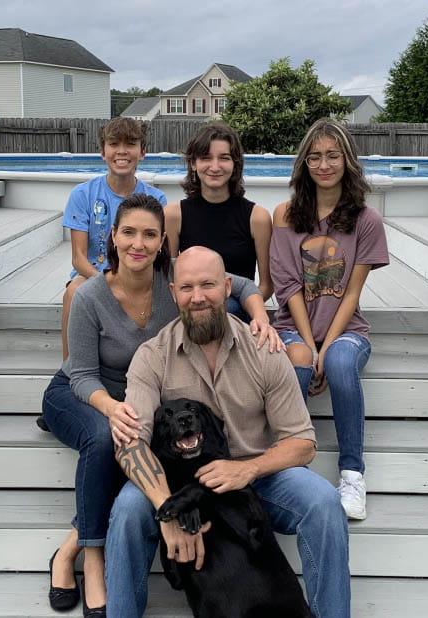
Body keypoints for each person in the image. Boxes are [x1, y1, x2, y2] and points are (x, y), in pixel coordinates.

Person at [41, 195, 280, 615]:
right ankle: (85, 555)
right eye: (129, 232)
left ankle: (75, 545)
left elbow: (238, 284)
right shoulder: (89, 296)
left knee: (137, 439)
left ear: (162, 241)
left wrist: (258, 314)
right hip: (80, 392)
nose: (139, 243)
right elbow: (79, 375)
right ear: (113, 237)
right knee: (106, 436)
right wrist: (112, 408)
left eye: (150, 234)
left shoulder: (174, 280)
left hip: (138, 393)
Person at [105, 246, 350, 618]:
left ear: (227, 287)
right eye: (186, 287)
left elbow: (302, 443)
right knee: (126, 509)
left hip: (258, 478)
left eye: (208, 285)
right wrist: (167, 510)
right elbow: (130, 444)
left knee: (324, 503)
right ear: (173, 293)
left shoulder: (264, 349)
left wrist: (247, 469)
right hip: (182, 485)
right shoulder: (153, 356)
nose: (198, 297)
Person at [270, 118, 389, 521]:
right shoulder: (286, 214)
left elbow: (352, 292)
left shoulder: (366, 220)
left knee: (338, 362)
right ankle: (288, 468)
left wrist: (326, 347)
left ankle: (352, 473)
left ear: (347, 161)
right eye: (315, 156)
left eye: (333, 155)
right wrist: (309, 344)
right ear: (304, 163)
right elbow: (288, 288)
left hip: (347, 330)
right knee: (298, 365)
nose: (324, 164)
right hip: (291, 326)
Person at [60, 117, 167, 359]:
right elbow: (78, 258)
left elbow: (157, 253)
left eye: (130, 143)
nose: (121, 151)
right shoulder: (82, 194)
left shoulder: (156, 200)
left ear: (142, 152)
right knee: (74, 292)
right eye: (113, 143)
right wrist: (106, 284)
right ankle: (69, 368)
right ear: (102, 151)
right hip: (92, 275)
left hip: (138, 275)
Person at [164, 123, 273, 320]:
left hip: (237, 311)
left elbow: (266, 285)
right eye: (206, 158)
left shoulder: (257, 218)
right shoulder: (174, 215)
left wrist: (241, 309)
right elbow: (171, 279)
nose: (215, 167)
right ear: (193, 164)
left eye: (224, 158)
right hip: (192, 312)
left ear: (235, 164)